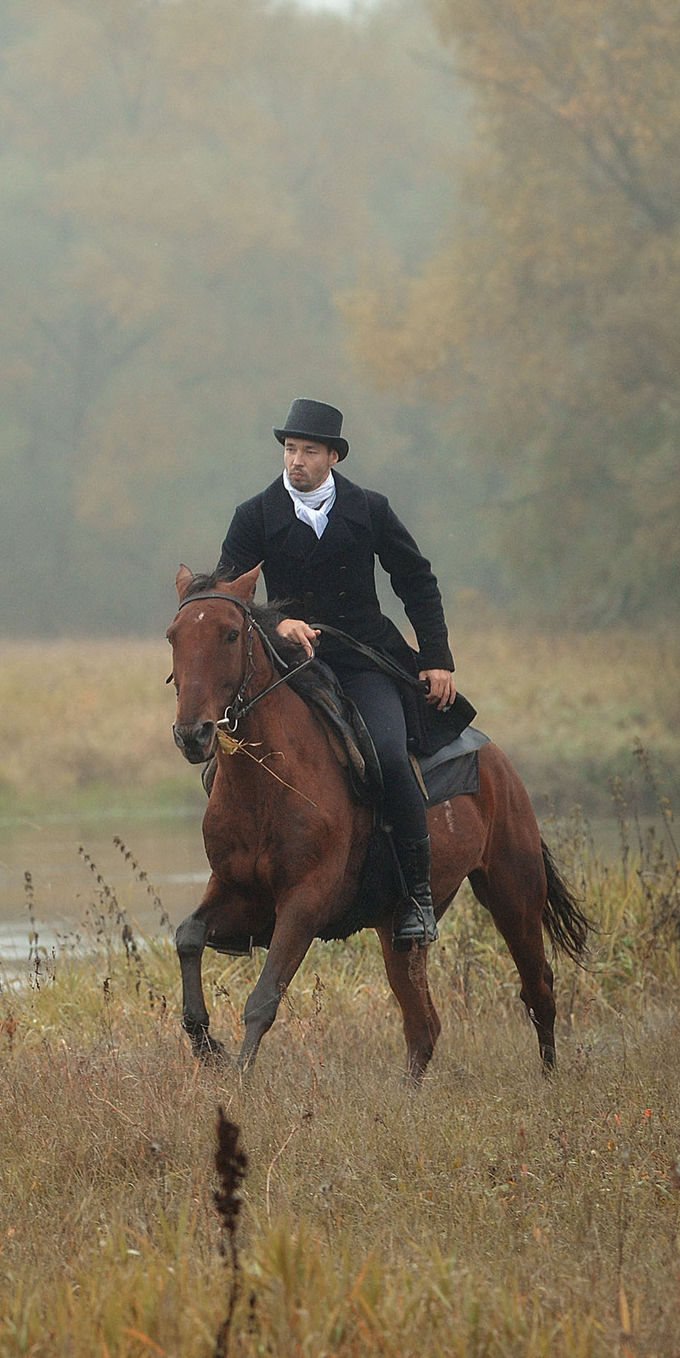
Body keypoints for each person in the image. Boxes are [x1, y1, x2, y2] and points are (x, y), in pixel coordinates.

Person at [215, 398, 458, 950]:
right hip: (288, 665)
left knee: (390, 755)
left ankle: (417, 896)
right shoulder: (254, 515)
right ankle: (235, 897)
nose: (294, 460)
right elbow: (228, 599)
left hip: (363, 659)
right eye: (289, 449)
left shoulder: (369, 509)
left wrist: (438, 657)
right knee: (229, 754)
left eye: (307, 451)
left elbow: (416, 581)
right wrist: (279, 626)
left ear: (333, 457)